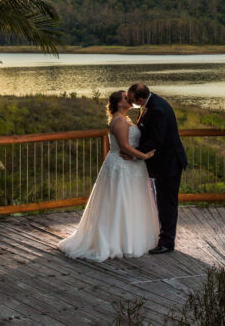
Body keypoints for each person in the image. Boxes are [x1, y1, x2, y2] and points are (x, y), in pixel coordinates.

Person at [58, 90, 159, 262]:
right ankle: (117, 241)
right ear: (119, 103)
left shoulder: (124, 119)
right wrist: (144, 156)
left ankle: (130, 239)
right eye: (126, 98)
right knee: (119, 200)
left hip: (131, 166)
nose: (130, 99)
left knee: (130, 200)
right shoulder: (119, 121)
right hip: (121, 165)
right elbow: (124, 147)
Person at [127, 83, 187, 254]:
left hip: (169, 163)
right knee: (163, 201)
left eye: (133, 101)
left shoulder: (158, 109)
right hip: (163, 163)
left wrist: (134, 153)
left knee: (166, 203)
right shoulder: (151, 104)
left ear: (140, 99)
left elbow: (157, 140)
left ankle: (167, 243)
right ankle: (165, 238)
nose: (132, 104)